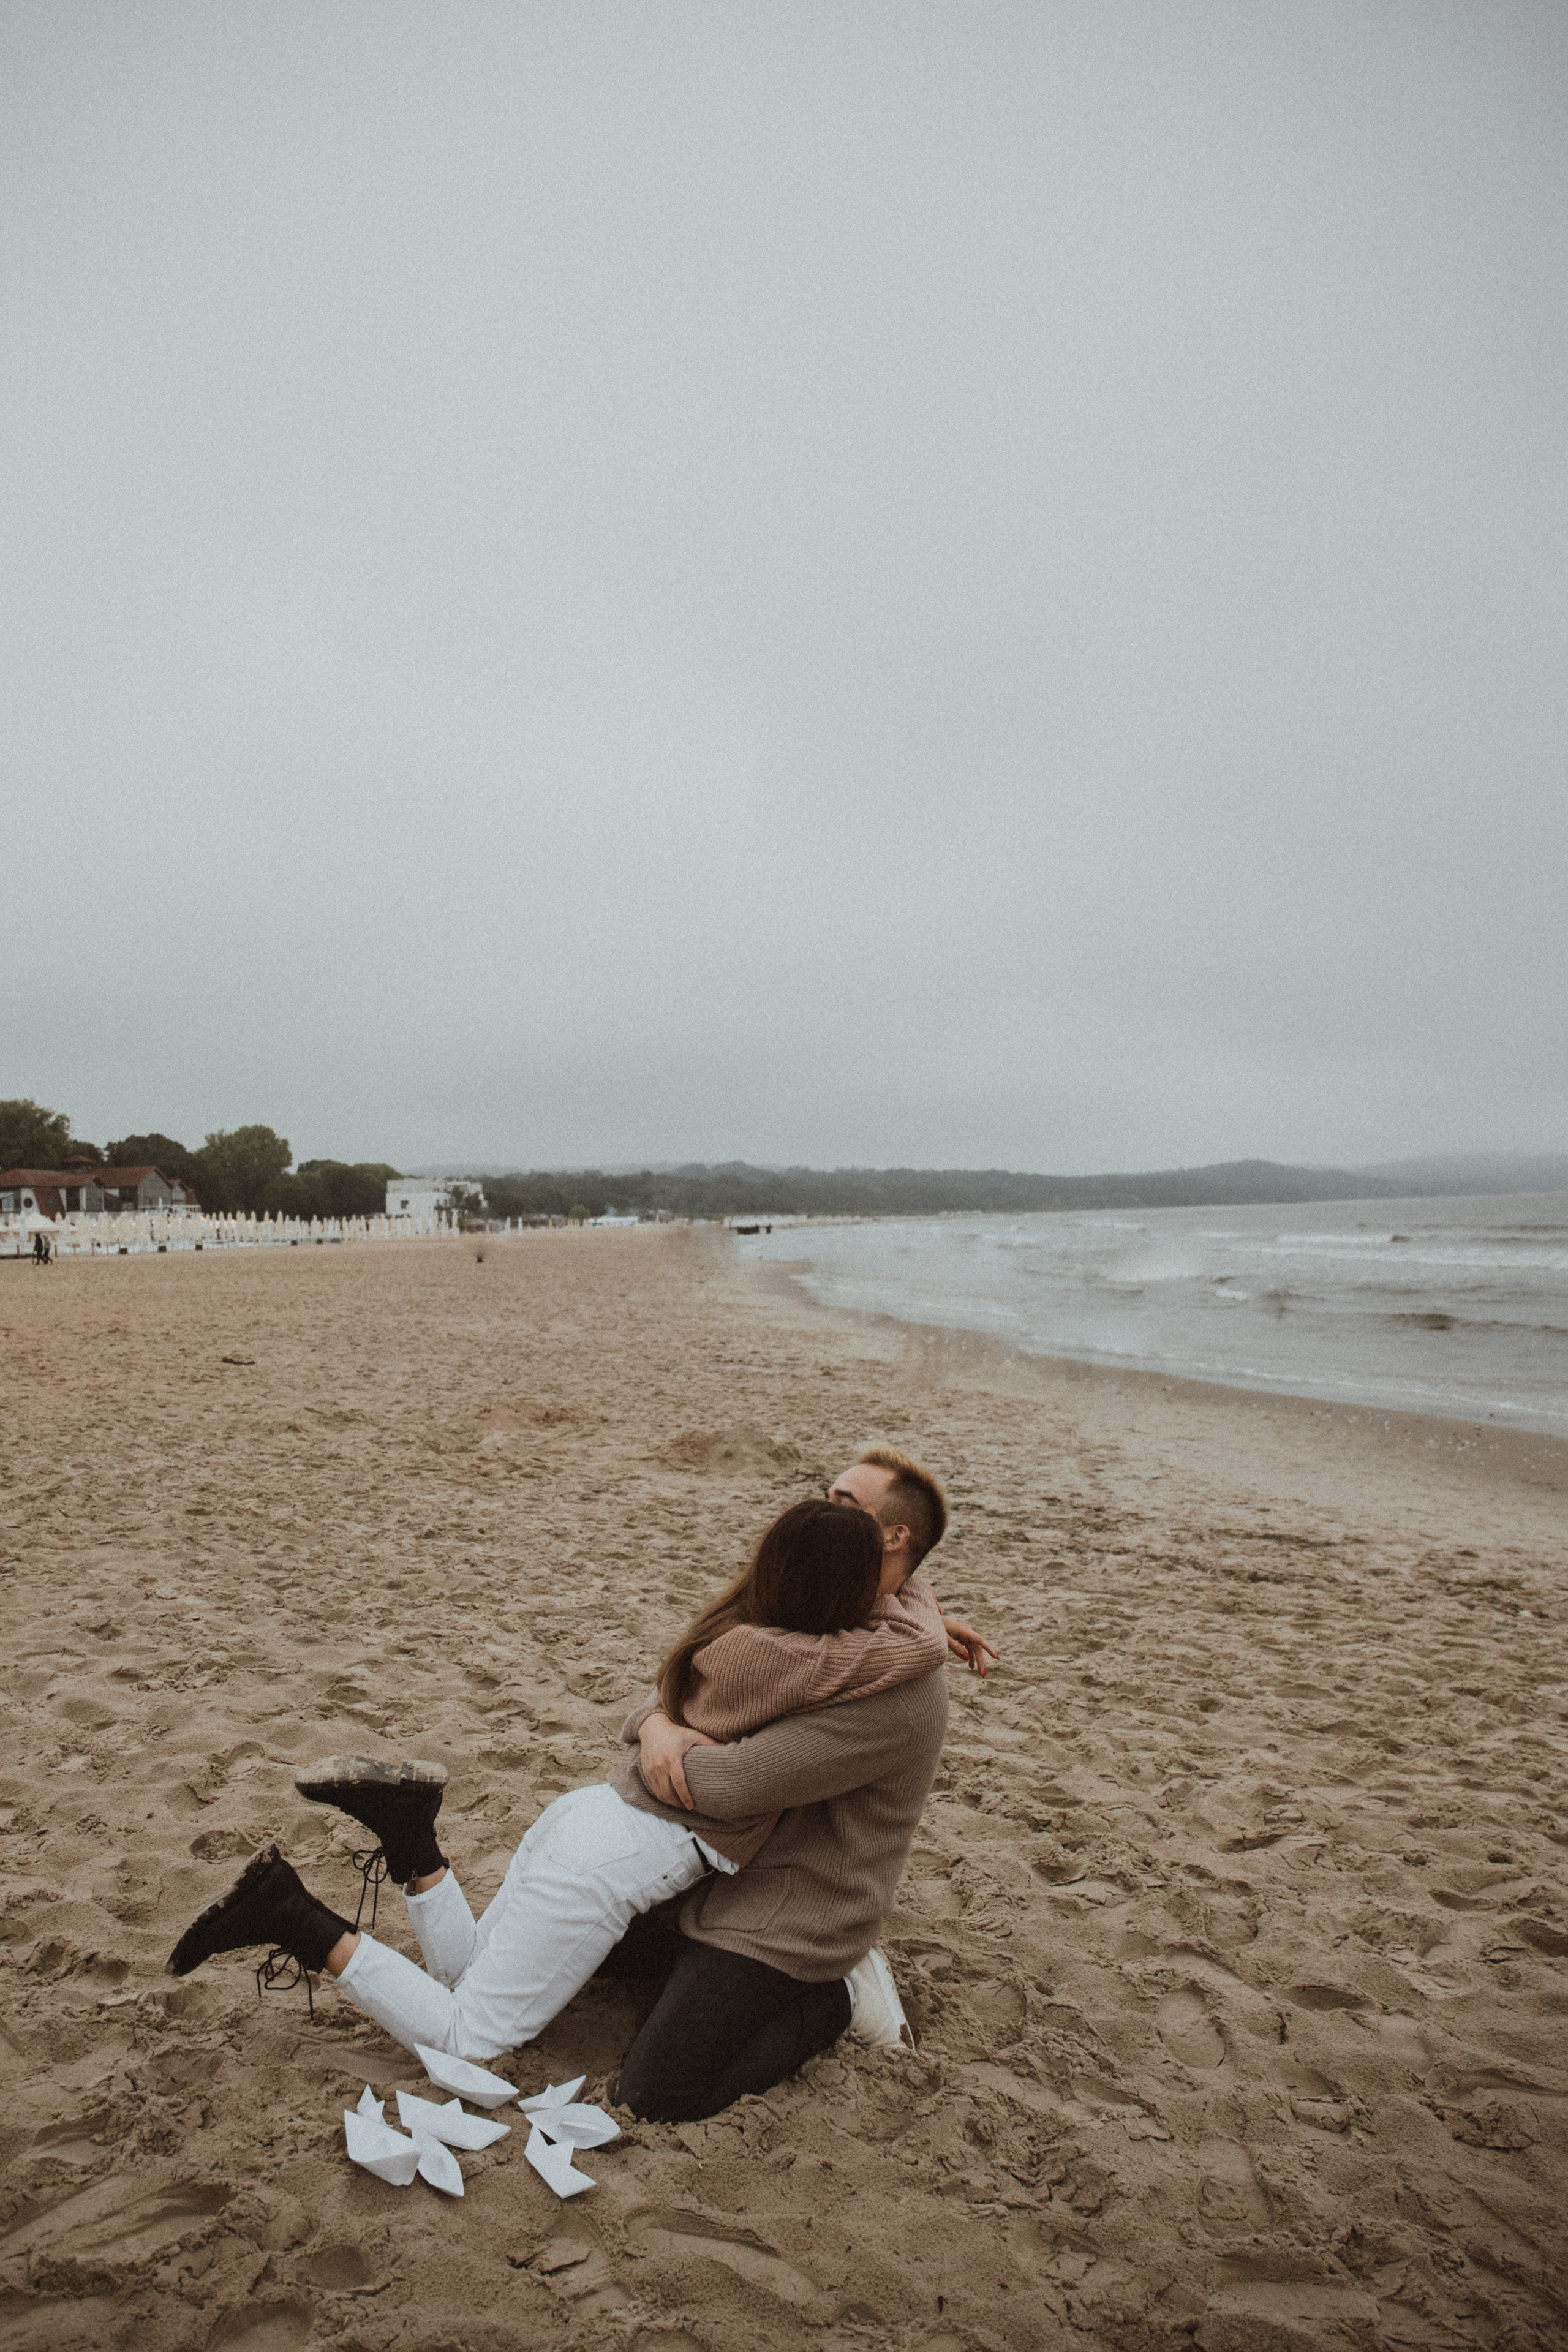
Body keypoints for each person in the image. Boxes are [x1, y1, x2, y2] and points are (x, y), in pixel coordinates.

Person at [168, 1449, 996, 2119]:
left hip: (756, 1896)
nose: (821, 1507)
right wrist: (660, 1730)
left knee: (636, 2079)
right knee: (467, 2034)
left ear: (892, 1542)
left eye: (842, 1502)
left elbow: (726, 1758)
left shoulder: (773, 1624)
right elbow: (711, 1759)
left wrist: (659, 1727)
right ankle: (297, 1916)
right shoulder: (826, 1641)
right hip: (649, 1862)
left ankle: (413, 1838)